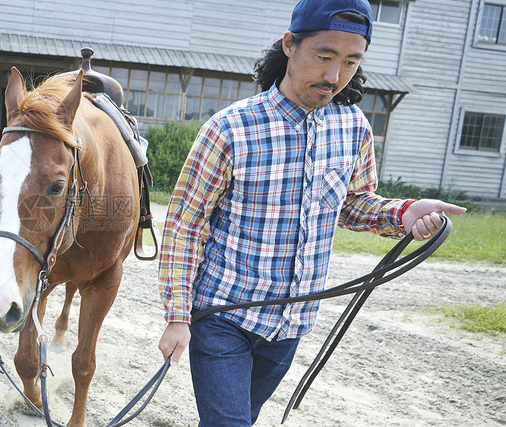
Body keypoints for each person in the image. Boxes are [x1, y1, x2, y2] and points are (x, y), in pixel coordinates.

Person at [156, 0, 467, 425]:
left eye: (350, 62)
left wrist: (406, 213)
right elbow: (184, 227)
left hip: (291, 323)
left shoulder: (353, 127)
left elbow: (354, 204)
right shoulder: (229, 129)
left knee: (241, 418)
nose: (334, 77)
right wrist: (177, 317)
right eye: (324, 57)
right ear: (289, 45)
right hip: (222, 317)